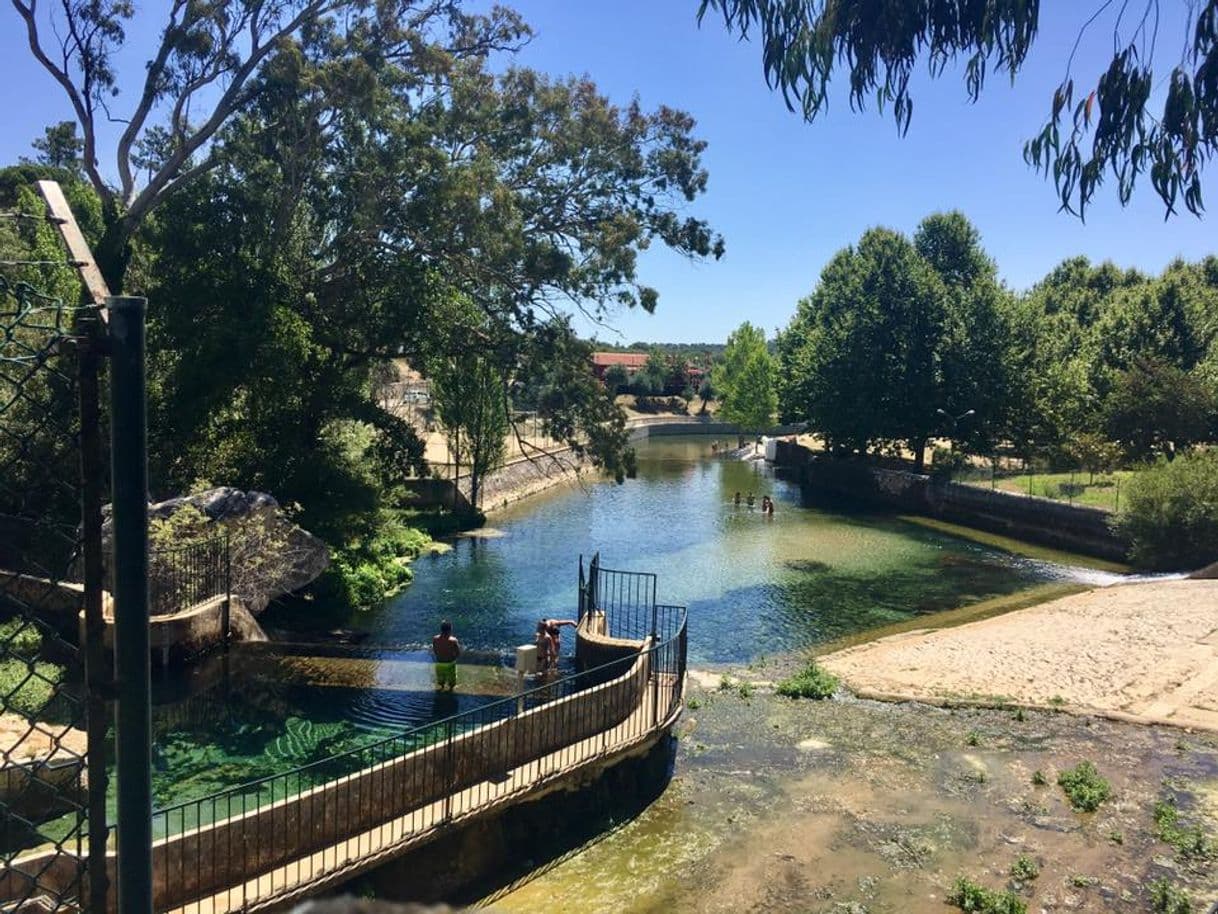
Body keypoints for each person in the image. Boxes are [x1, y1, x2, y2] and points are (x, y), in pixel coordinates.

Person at [431, 621, 461, 691]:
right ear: (450, 630)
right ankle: (451, 689)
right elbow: (458, 653)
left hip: (439, 662)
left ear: (441, 629)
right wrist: (454, 658)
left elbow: (435, 650)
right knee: (452, 680)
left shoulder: (435, 639)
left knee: (441, 679)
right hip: (450, 663)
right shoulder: (453, 640)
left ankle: (442, 687)